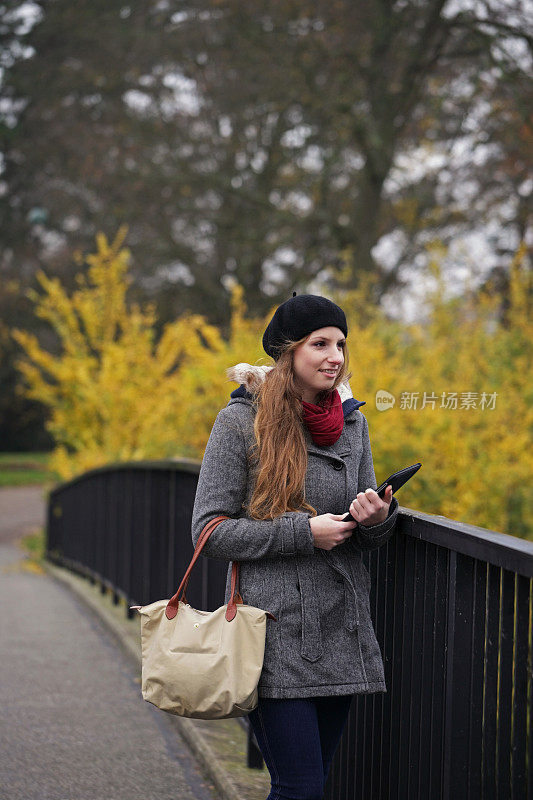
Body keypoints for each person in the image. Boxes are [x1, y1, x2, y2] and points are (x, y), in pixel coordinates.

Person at [191, 293, 399, 800]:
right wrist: (302, 533)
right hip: (275, 632)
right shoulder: (241, 422)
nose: (336, 357)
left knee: (311, 786)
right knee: (299, 788)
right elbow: (209, 531)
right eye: (320, 344)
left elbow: (365, 528)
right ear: (288, 352)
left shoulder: (354, 424)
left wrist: (375, 519)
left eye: (341, 345)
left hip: (340, 629)